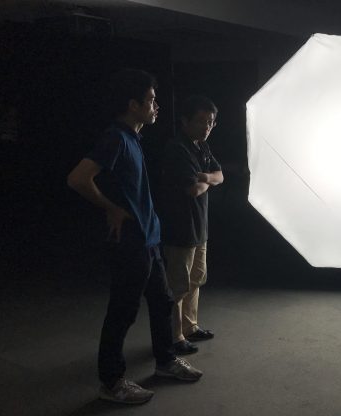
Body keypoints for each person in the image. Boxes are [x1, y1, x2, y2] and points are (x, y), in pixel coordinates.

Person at [67, 69, 203, 405]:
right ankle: (112, 383)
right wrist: (110, 208)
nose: (156, 106)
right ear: (133, 105)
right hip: (130, 243)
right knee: (122, 312)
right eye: (151, 100)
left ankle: (166, 361)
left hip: (149, 239)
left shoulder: (133, 138)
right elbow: (78, 178)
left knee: (163, 302)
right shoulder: (115, 137)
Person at [159, 95, 223, 355]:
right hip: (180, 229)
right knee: (178, 285)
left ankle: (190, 327)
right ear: (185, 121)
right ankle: (175, 337)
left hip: (199, 228)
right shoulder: (178, 148)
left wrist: (205, 177)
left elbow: (220, 176)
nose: (206, 127)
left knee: (196, 279)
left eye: (210, 122)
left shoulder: (202, 147)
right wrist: (208, 181)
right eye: (201, 121)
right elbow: (193, 190)